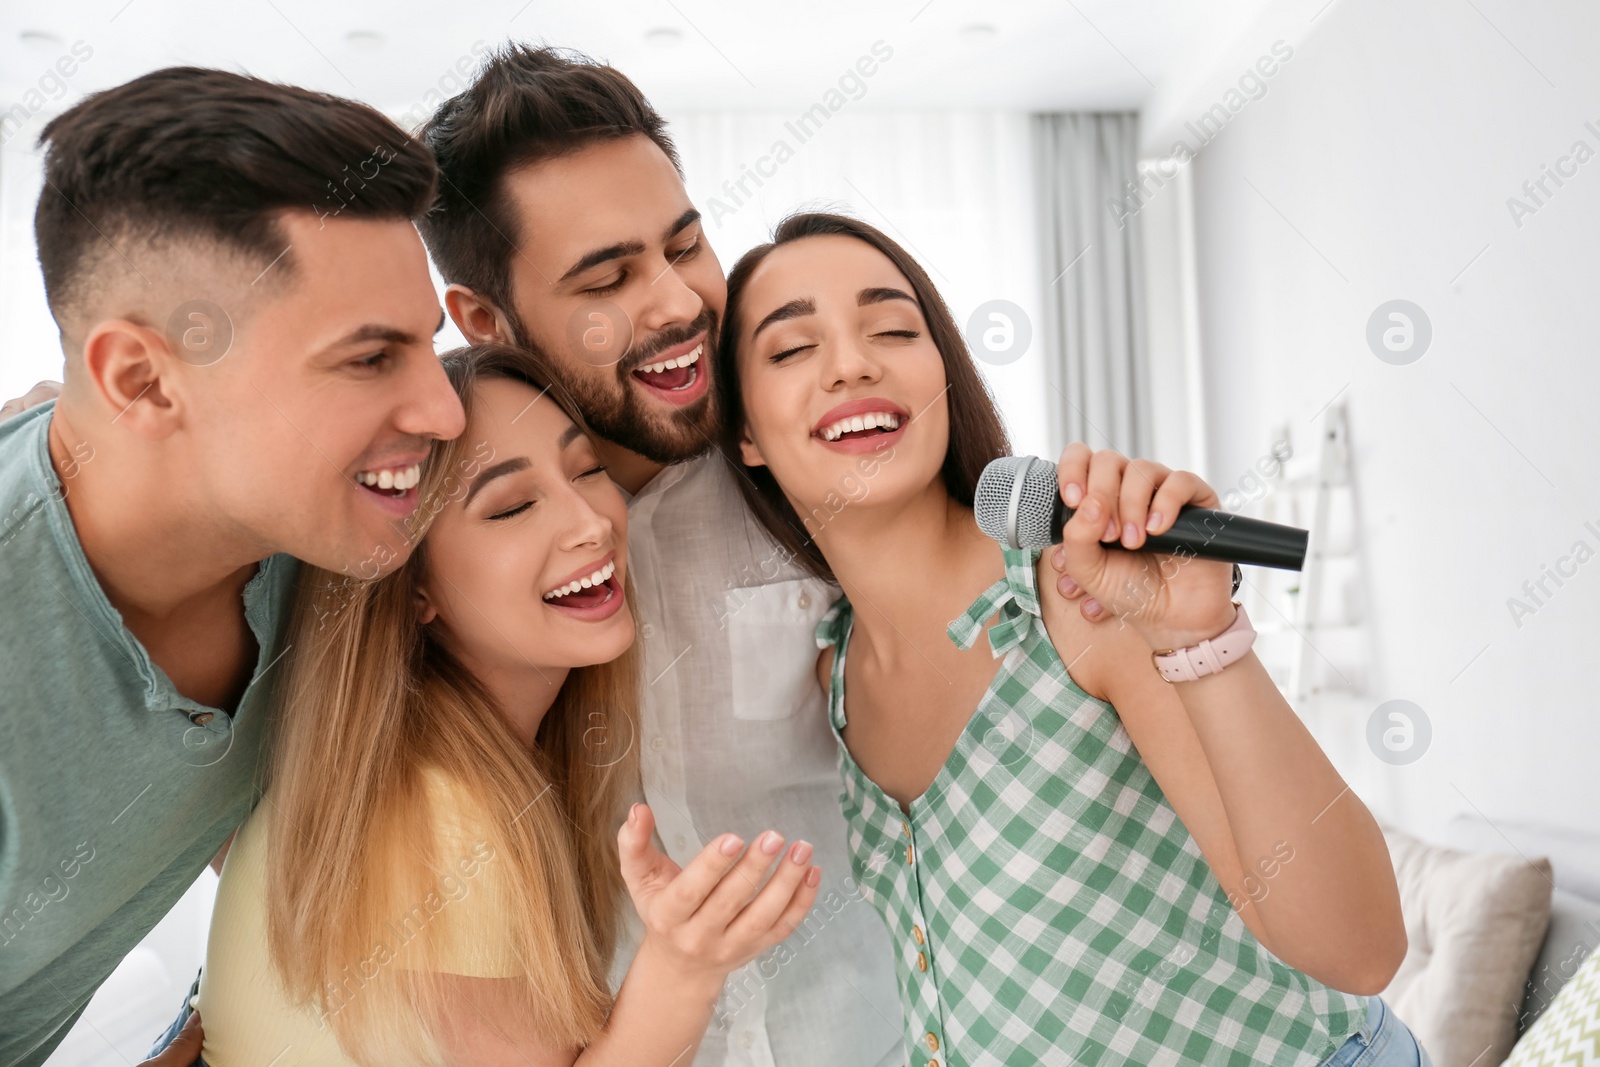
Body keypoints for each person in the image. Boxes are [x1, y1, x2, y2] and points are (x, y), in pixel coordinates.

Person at [714, 212, 1429, 1066]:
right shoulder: (833, 672)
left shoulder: (1074, 597)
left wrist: (1197, 635)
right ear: (746, 434)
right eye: (792, 349)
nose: (853, 361)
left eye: (895, 328)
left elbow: (1360, 946)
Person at [414, 45, 916, 1066]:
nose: (678, 303)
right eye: (608, 277)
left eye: (684, 246)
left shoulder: (814, 449)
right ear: (480, 316)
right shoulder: (441, 539)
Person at [0, 68, 465, 1067]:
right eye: (368, 357)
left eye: (428, 347)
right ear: (144, 378)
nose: (443, 410)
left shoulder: (326, 540)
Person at [188, 342, 821, 1066]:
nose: (591, 522)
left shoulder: (418, 772)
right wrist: (685, 967)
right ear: (413, 586)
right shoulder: (443, 814)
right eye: (512, 505)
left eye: (587, 470)